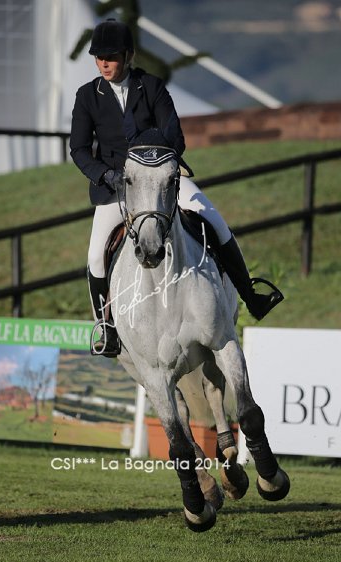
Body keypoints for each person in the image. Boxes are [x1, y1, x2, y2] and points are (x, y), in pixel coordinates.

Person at [70, 19, 283, 357]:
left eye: (111, 57)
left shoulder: (151, 87)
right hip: (116, 188)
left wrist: (154, 166)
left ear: (128, 55)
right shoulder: (87, 96)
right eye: (99, 58)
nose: (104, 63)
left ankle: (250, 295)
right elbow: (79, 149)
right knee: (96, 255)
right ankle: (106, 326)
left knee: (215, 221)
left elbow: (175, 136)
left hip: (161, 181)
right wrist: (106, 175)